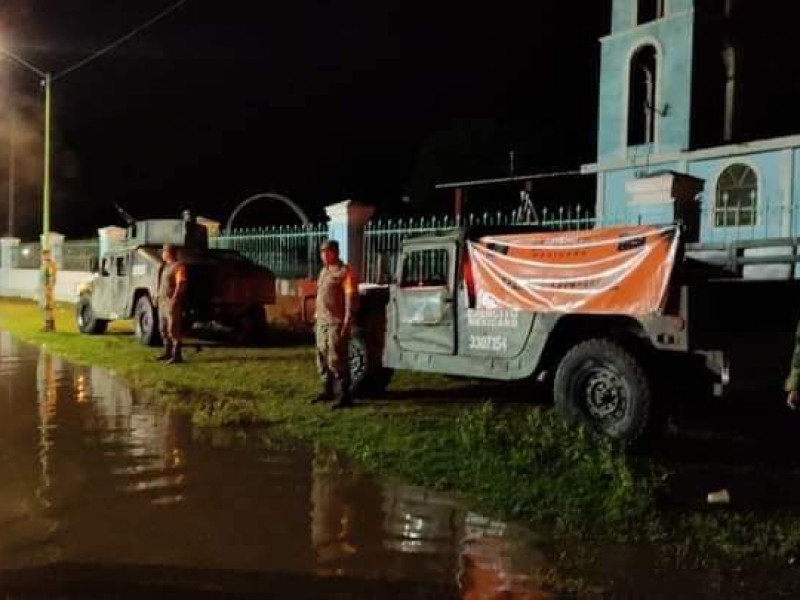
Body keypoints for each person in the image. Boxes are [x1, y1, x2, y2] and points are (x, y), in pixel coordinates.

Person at [312, 239, 357, 409]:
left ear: (336, 252)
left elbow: (349, 298)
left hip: (335, 322)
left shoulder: (345, 273)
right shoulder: (324, 272)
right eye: (322, 252)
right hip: (322, 321)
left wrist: (347, 320)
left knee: (336, 358)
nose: (324, 255)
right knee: (322, 357)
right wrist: (316, 317)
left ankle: (345, 395)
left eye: (328, 252)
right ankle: (327, 390)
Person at [156, 243, 187, 364]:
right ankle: (167, 352)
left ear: (169, 253)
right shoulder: (165, 266)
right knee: (162, 328)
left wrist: (175, 298)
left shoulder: (179, 266)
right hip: (162, 302)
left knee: (173, 329)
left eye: (164, 252)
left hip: (171, 302)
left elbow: (181, 284)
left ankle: (176, 355)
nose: (162, 254)